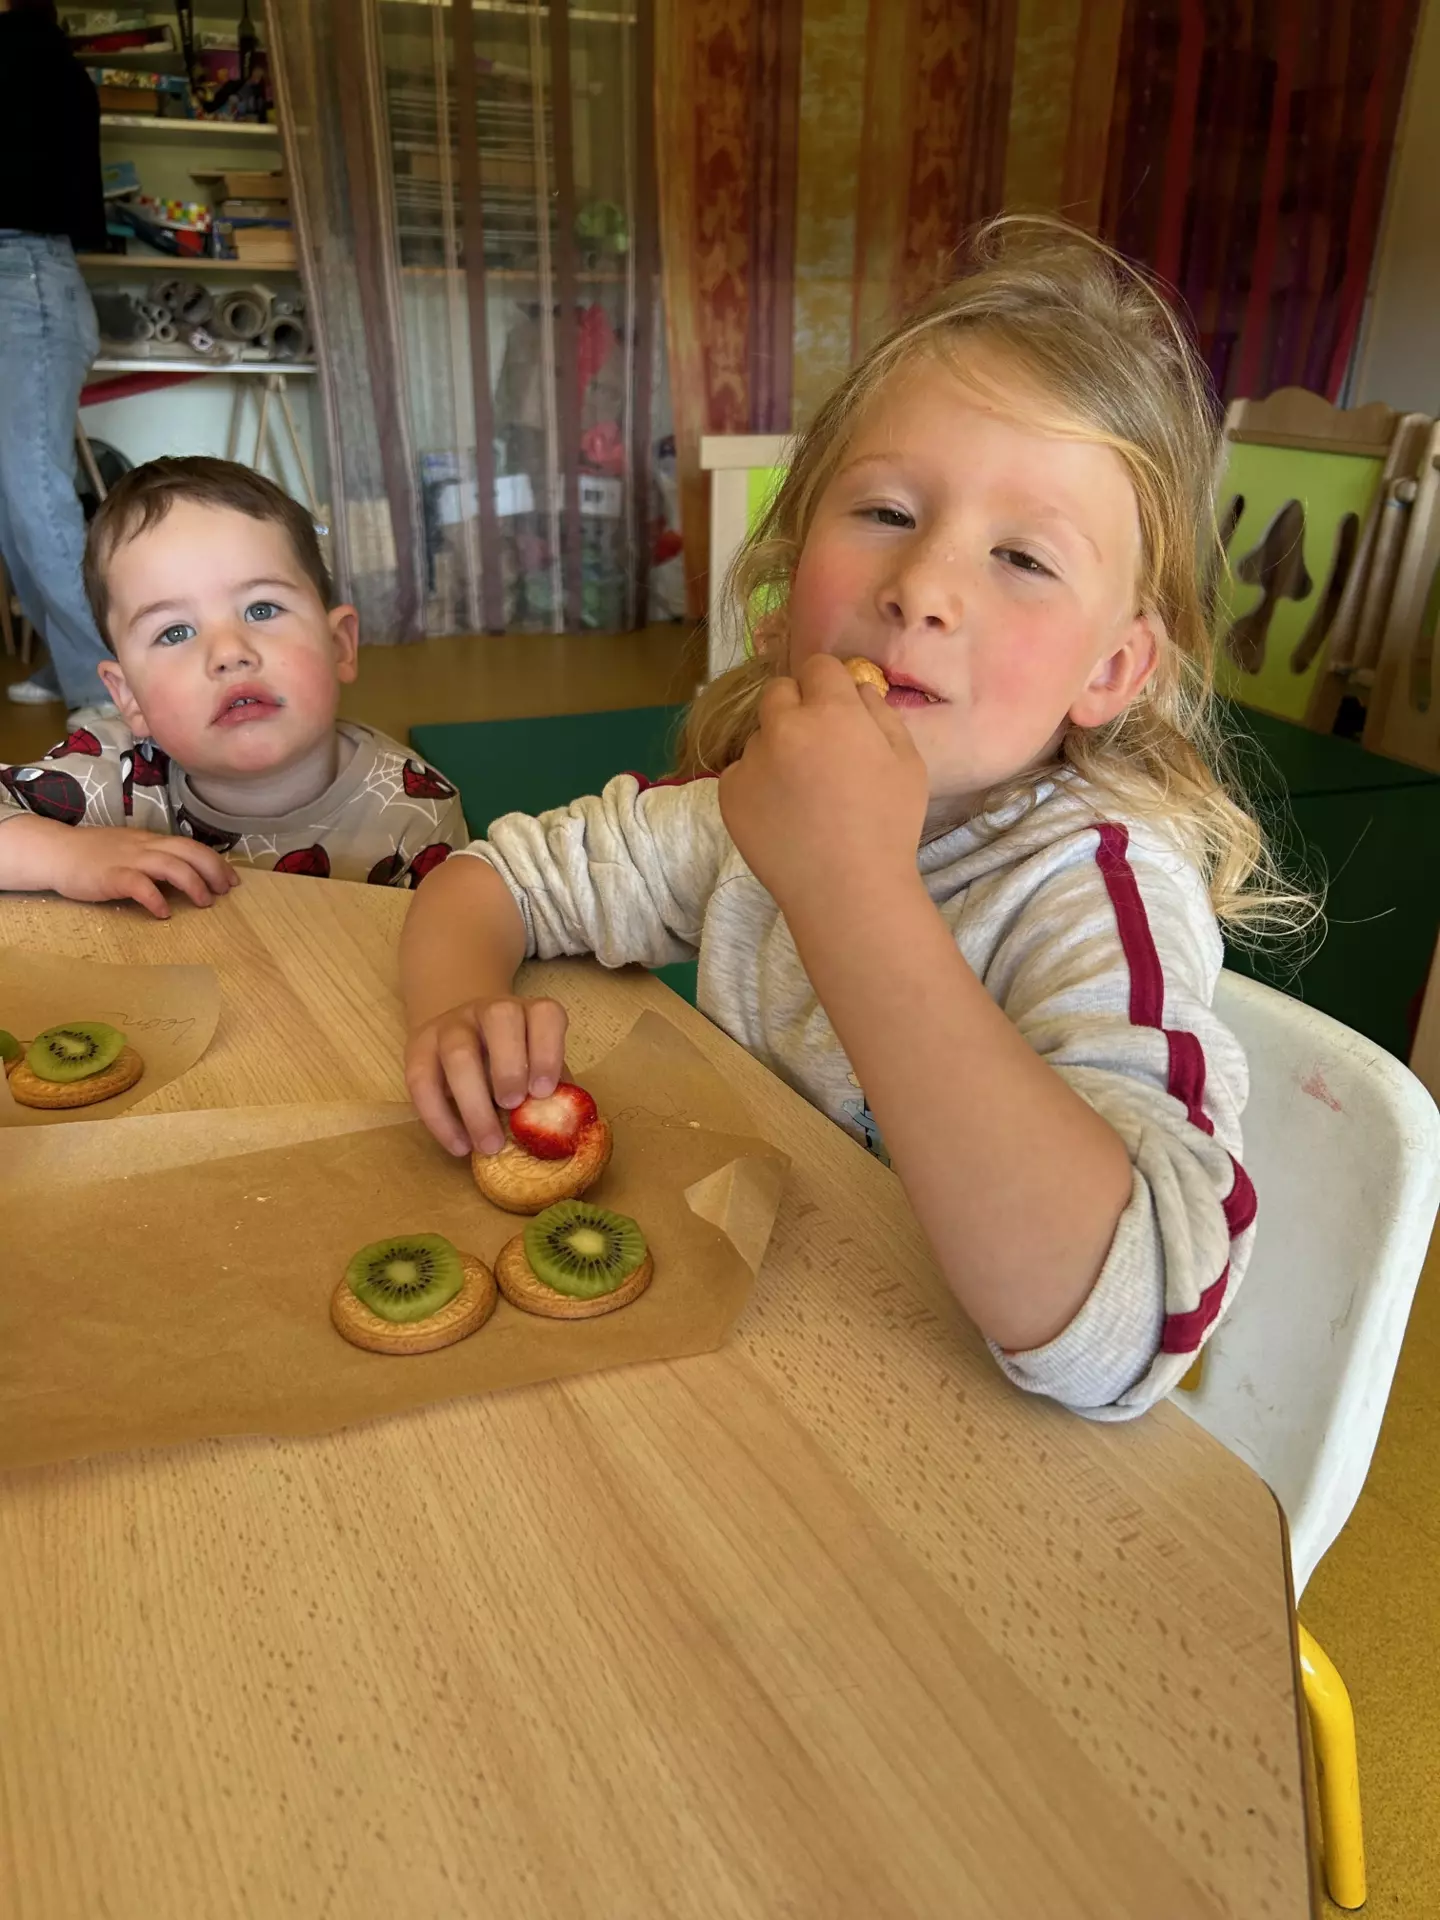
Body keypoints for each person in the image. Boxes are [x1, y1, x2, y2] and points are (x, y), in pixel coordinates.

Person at [398, 218, 1310, 1422]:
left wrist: (850, 883)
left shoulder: (1101, 892)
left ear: (1114, 669)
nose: (923, 586)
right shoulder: (752, 807)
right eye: (885, 513)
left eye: (1024, 558)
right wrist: (459, 1009)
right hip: (751, 1372)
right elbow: (498, 877)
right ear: (780, 598)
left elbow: (1129, 1331)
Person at [0, 457, 469, 909]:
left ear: (339, 646)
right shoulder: (111, 777)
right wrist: (66, 855)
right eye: (175, 632)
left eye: (261, 609)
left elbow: (454, 957)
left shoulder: (415, 810)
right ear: (128, 697)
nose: (228, 653)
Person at [0, 0, 117, 720]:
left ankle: (103, 684)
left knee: (34, 492)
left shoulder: (30, 59)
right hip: (23, 279)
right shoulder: (42, 61)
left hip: (25, 280)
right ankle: (68, 654)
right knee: (15, 498)